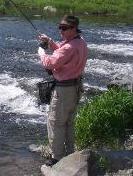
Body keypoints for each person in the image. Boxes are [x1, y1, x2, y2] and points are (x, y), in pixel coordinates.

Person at [37, 15, 88, 167]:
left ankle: (57, 158)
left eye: (64, 28)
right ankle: (70, 151)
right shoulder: (80, 42)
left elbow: (50, 63)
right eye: (60, 27)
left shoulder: (69, 47)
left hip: (63, 91)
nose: (61, 30)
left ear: (74, 29)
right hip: (76, 88)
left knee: (56, 123)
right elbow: (64, 52)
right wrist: (50, 42)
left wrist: (41, 51)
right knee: (69, 122)